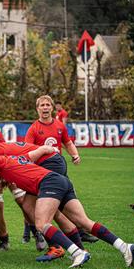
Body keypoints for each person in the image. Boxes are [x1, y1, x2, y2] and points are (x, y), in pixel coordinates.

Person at [0, 150, 134, 269]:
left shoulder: (0, 162)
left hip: (49, 182)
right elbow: (32, 155)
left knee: (41, 223)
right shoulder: (14, 160)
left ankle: (78, 253)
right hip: (61, 181)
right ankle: (124, 247)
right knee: (84, 222)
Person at [25, 95, 98, 257]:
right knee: (33, 206)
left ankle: (58, 240)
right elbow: (28, 151)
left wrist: (75, 154)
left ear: (52, 108)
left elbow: (68, 142)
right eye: (41, 105)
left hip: (57, 172)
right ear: (37, 109)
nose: (44, 108)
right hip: (40, 174)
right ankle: (62, 237)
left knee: (59, 210)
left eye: (47, 105)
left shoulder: (59, 126)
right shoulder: (33, 129)